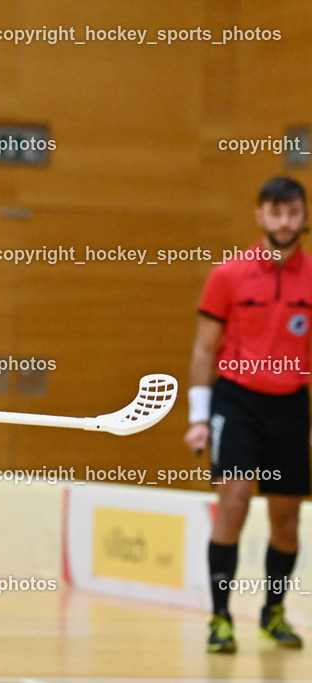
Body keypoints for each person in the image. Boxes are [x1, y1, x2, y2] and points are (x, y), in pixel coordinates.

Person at [184, 177, 311, 654]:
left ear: (304, 216)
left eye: (293, 211)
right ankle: (220, 618)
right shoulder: (228, 275)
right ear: (260, 216)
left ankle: (273, 612)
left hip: (291, 405)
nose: (285, 221)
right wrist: (199, 417)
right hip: (236, 402)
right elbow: (204, 348)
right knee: (233, 502)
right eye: (276, 212)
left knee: (286, 521)